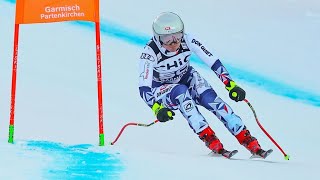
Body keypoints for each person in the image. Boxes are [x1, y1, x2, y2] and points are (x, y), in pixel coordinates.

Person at [138, 12, 269, 158]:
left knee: (212, 100)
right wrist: (156, 108)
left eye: (177, 36)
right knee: (181, 93)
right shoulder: (149, 52)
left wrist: (230, 84)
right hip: (162, 89)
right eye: (167, 39)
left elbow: (212, 61)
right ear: (157, 38)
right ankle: (210, 139)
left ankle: (248, 140)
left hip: (187, 77)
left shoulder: (188, 40)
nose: (174, 43)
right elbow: (143, 87)